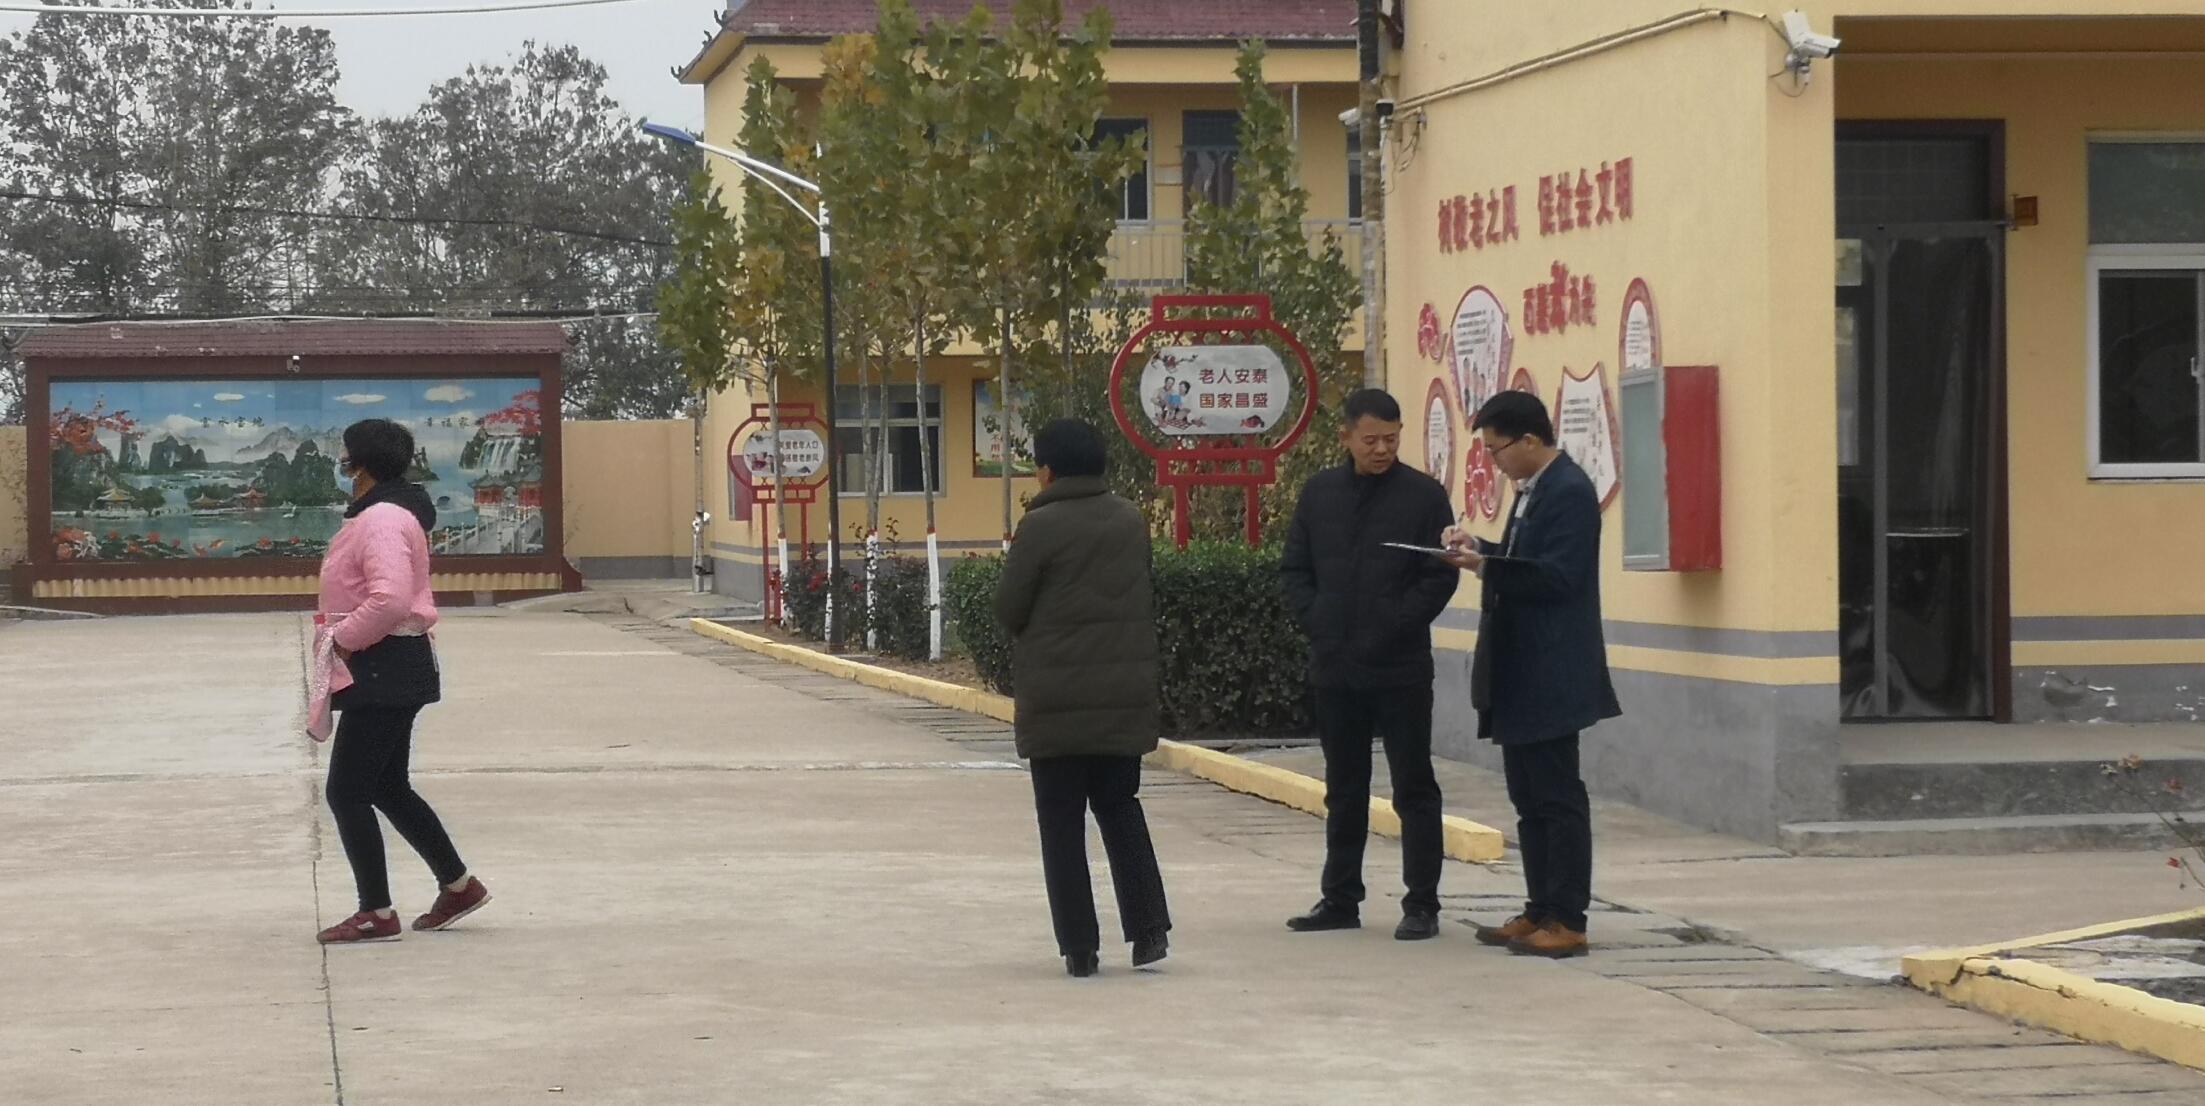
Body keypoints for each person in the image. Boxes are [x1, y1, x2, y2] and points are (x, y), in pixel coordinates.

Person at [1441, 391, 1620, 959]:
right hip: (1519, 668)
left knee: (1557, 798)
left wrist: (1486, 566)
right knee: (1528, 798)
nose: (1494, 462)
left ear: (1529, 440)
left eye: (1497, 450)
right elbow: (1524, 560)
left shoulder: (1568, 492)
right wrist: (1481, 549)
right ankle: (1539, 908)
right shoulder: (1533, 491)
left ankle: (1567, 918)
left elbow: (1558, 578)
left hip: (1551, 668)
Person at [1279, 388, 1460, 941]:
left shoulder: (1424, 496)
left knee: (1414, 787)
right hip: (1336, 667)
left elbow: (1440, 574)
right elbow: (1295, 570)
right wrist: (1321, 622)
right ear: (1347, 437)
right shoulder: (1320, 494)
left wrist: (1392, 625)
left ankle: (1422, 903)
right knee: (1344, 787)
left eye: (1391, 439)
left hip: (1401, 666)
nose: (1382, 449)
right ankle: (1340, 898)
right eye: (1371, 440)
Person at [996, 418, 1171, 978]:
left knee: (1062, 824)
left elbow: (1010, 607)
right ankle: (1149, 931)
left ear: (1046, 471)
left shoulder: (1039, 525)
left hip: (1055, 705)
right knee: (1121, 810)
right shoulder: (1130, 520)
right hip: (1122, 699)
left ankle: (1080, 948)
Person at [314, 418, 490, 945]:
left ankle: (376, 911)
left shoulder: (383, 519)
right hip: (392, 662)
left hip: (381, 663)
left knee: (347, 791)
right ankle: (458, 886)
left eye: (345, 452)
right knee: (386, 785)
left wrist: (344, 639)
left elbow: (389, 599)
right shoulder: (385, 513)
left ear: (360, 462)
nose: (341, 461)